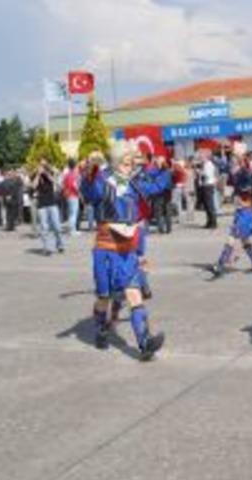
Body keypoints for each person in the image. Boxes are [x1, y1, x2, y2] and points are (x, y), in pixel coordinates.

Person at [80, 147, 172, 361]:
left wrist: (166, 168)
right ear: (115, 162)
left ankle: (145, 342)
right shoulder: (103, 182)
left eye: (132, 163)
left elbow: (157, 186)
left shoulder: (133, 184)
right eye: (126, 163)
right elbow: (89, 190)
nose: (130, 166)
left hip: (127, 250)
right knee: (104, 297)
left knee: (134, 293)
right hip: (105, 250)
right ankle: (101, 329)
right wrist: (91, 169)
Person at [210, 144, 252, 278]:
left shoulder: (246, 172)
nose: (233, 159)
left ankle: (220, 265)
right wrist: (213, 158)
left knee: (232, 237)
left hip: (246, 211)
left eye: (235, 156)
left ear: (242, 157)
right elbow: (226, 167)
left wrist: (240, 191)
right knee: (244, 239)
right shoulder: (238, 171)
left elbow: (249, 186)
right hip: (241, 210)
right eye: (233, 156)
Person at [31, 160, 64, 255]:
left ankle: (60, 244)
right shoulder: (35, 175)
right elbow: (33, 186)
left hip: (52, 203)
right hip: (41, 204)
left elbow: (56, 183)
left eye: (44, 164)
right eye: (40, 164)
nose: (42, 166)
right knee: (44, 227)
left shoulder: (50, 173)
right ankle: (47, 248)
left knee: (57, 226)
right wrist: (38, 174)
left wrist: (46, 173)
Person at [198, 149, 218, 229]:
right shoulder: (205, 164)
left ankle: (213, 222)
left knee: (209, 205)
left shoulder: (209, 164)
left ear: (206, 157)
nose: (200, 157)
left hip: (208, 185)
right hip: (205, 185)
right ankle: (209, 222)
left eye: (201, 156)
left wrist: (200, 172)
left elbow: (207, 175)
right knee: (206, 205)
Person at [62, 159, 81, 236]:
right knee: (73, 213)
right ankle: (72, 231)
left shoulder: (66, 174)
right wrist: (79, 193)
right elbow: (74, 185)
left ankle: (72, 230)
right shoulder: (74, 174)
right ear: (75, 165)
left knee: (70, 213)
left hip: (67, 195)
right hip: (73, 195)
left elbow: (64, 184)